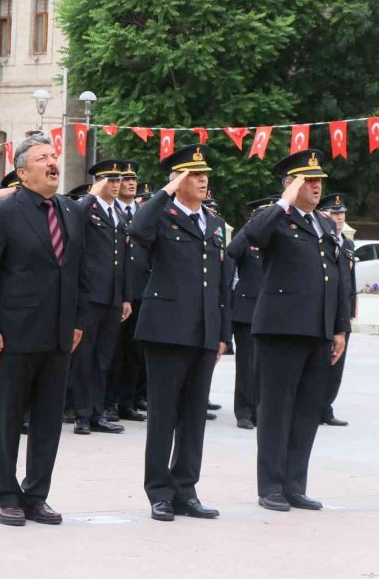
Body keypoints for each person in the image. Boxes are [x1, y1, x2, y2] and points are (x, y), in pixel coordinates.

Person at [0, 134, 88, 527]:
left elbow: (79, 272)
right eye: (42, 157)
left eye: (54, 156)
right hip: (13, 335)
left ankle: (37, 494)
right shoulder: (3, 212)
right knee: (8, 417)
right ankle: (6, 495)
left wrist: (77, 321)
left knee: (49, 419)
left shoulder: (71, 210)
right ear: (22, 172)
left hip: (57, 335)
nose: (53, 162)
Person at [129, 144, 231, 522]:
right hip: (166, 330)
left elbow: (222, 282)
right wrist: (166, 191)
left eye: (205, 174)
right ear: (177, 179)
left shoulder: (215, 223)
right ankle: (158, 491)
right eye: (193, 174)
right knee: (163, 415)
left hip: (204, 331)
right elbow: (137, 230)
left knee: (193, 416)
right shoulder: (161, 215)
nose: (203, 180)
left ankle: (185, 489)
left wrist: (224, 333)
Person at [244, 150, 349, 513]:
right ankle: (270, 486)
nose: (318, 186)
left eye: (320, 180)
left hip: (317, 331)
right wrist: (283, 202)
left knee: (307, 411)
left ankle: (294, 485)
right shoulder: (273, 218)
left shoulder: (323, 224)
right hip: (281, 329)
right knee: (275, 410)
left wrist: (339, 328)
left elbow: (336, 277)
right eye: (309, 180)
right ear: (291, 184)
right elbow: (247, 240)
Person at [69, 160, 131, 435]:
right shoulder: (87, 208)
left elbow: (124, 259)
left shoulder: (119, 213)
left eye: (119, 180)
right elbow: (72, 218)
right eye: (111, 180)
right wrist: (92, 194)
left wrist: (126, 297)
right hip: (90, 294)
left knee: (104, 357)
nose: (116, 185)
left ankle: (97, 411)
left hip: (113, 296)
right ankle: (82, 413)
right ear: (99, 182)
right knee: (85, 356)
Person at [109, 162, 148, 421]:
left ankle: (128, 400)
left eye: (134, 179)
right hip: (117, 291)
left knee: (135, 350)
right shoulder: (112, 212)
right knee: (114, 351)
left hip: (141, 289)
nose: (131, 183)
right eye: (125, 179)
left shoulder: (143, 212)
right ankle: (109, 402)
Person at [226, 198, 269, 430]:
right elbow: (232, 251)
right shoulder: (246, 240)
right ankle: (244, 410)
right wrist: (249, 227)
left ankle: (261, 409)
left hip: (270, 312)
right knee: (246, 365)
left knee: (266, 366)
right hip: (246, 311)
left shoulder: (275, 242)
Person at [317, 192, 357, 427]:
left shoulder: (347, 244)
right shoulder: (321, 240)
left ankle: (326, 406)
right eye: (334, 213)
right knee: (321, 360)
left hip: (342, 312)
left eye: (341, 213)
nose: (339, 218)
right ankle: (314, 406)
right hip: (325, 310)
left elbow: (349, 280)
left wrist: (351, 308)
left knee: (337, 364)